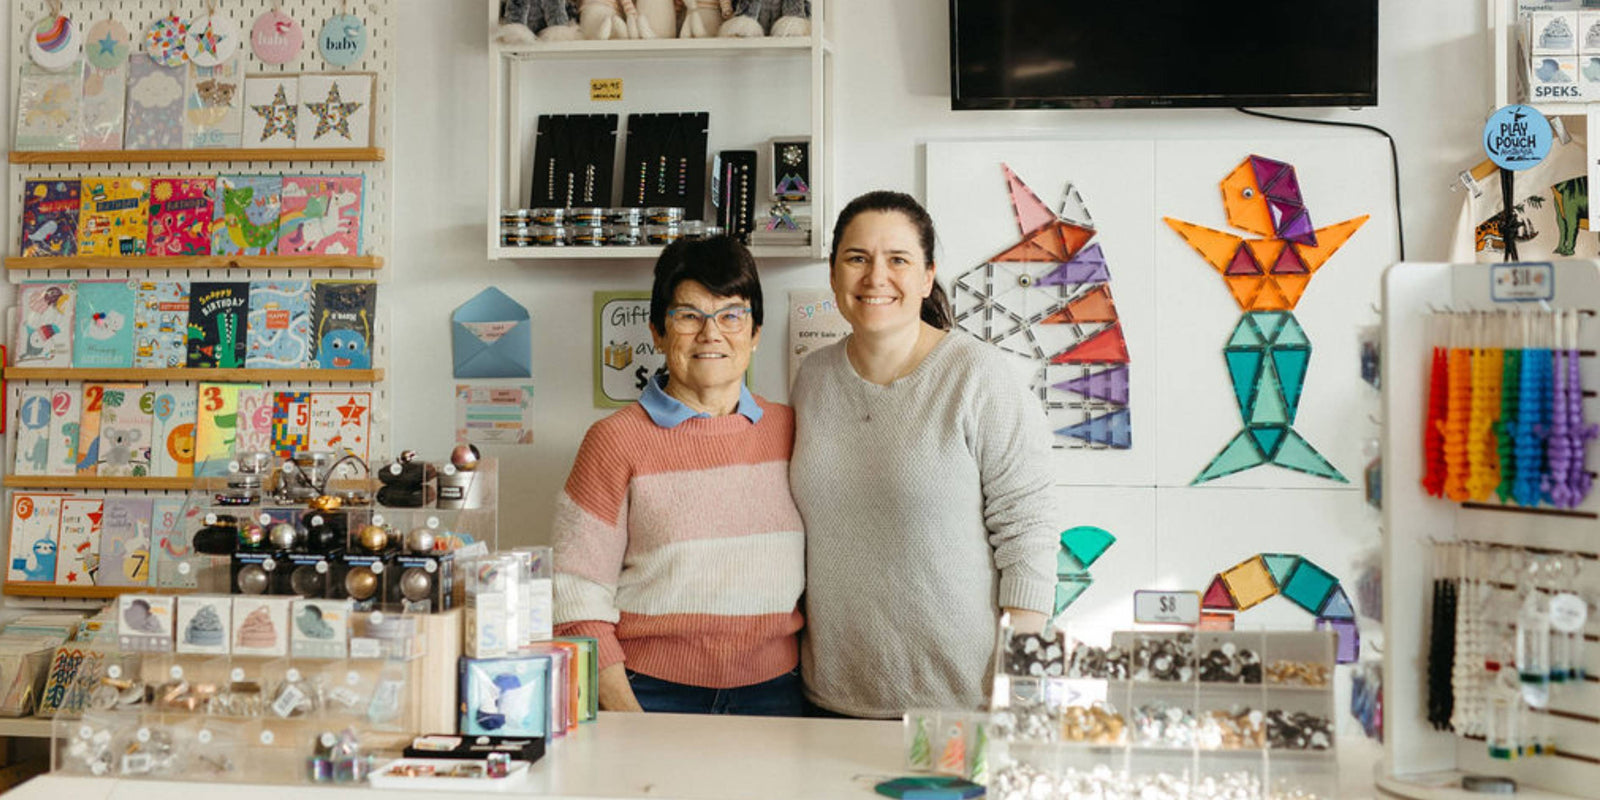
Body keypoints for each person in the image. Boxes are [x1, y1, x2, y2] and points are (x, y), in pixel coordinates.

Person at [790, 191, 1059, 718]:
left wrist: (1018, 680)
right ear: (833, 273)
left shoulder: (978, 375)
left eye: (898, 260)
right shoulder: (812, 377)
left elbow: (1028, 527)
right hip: (830, 695)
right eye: (857, 258)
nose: (875, 277)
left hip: (959, 700)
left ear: (927, 275)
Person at [552, 236, 806, 716]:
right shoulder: (614, 440)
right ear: (658, 331)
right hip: (649, 691)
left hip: (778, 693)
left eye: (732, 315)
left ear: (755, 333)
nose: (712, 334)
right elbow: (574, 593)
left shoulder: (792, 430)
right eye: (690, 316)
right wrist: (627, 714)